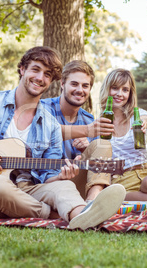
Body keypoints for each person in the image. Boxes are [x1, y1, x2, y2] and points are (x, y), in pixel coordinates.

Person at [0, 46, 125, 230]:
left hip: (29, 188)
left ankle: (84, 215)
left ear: (51, 81)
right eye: (35, 69)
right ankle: (51, 214)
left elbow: (48, 176)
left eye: (47, 74)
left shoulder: (50, 125)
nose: (40, 78)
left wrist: (61, 177)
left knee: (65, 187)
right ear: (22, 69)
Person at [42, 60, 115, 201]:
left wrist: (88, 151)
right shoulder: (44, 109)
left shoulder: (88, 119)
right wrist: (86, 131)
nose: (80, 90)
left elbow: (95, 164)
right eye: (74, 84)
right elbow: (48, 132)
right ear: (62, 84)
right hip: (48, 183)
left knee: (103, 144)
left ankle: (93, 201)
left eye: (85, 86)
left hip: (75, 183)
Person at [99, 69, 147, 201]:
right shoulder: (100, 123)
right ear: (107, 89)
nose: (120, 94)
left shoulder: (137, 115)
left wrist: (144, 120)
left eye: (125, 90)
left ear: (130, 93)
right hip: (121, 181)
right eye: (115, 88)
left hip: (144, 173)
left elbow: (144, 116)